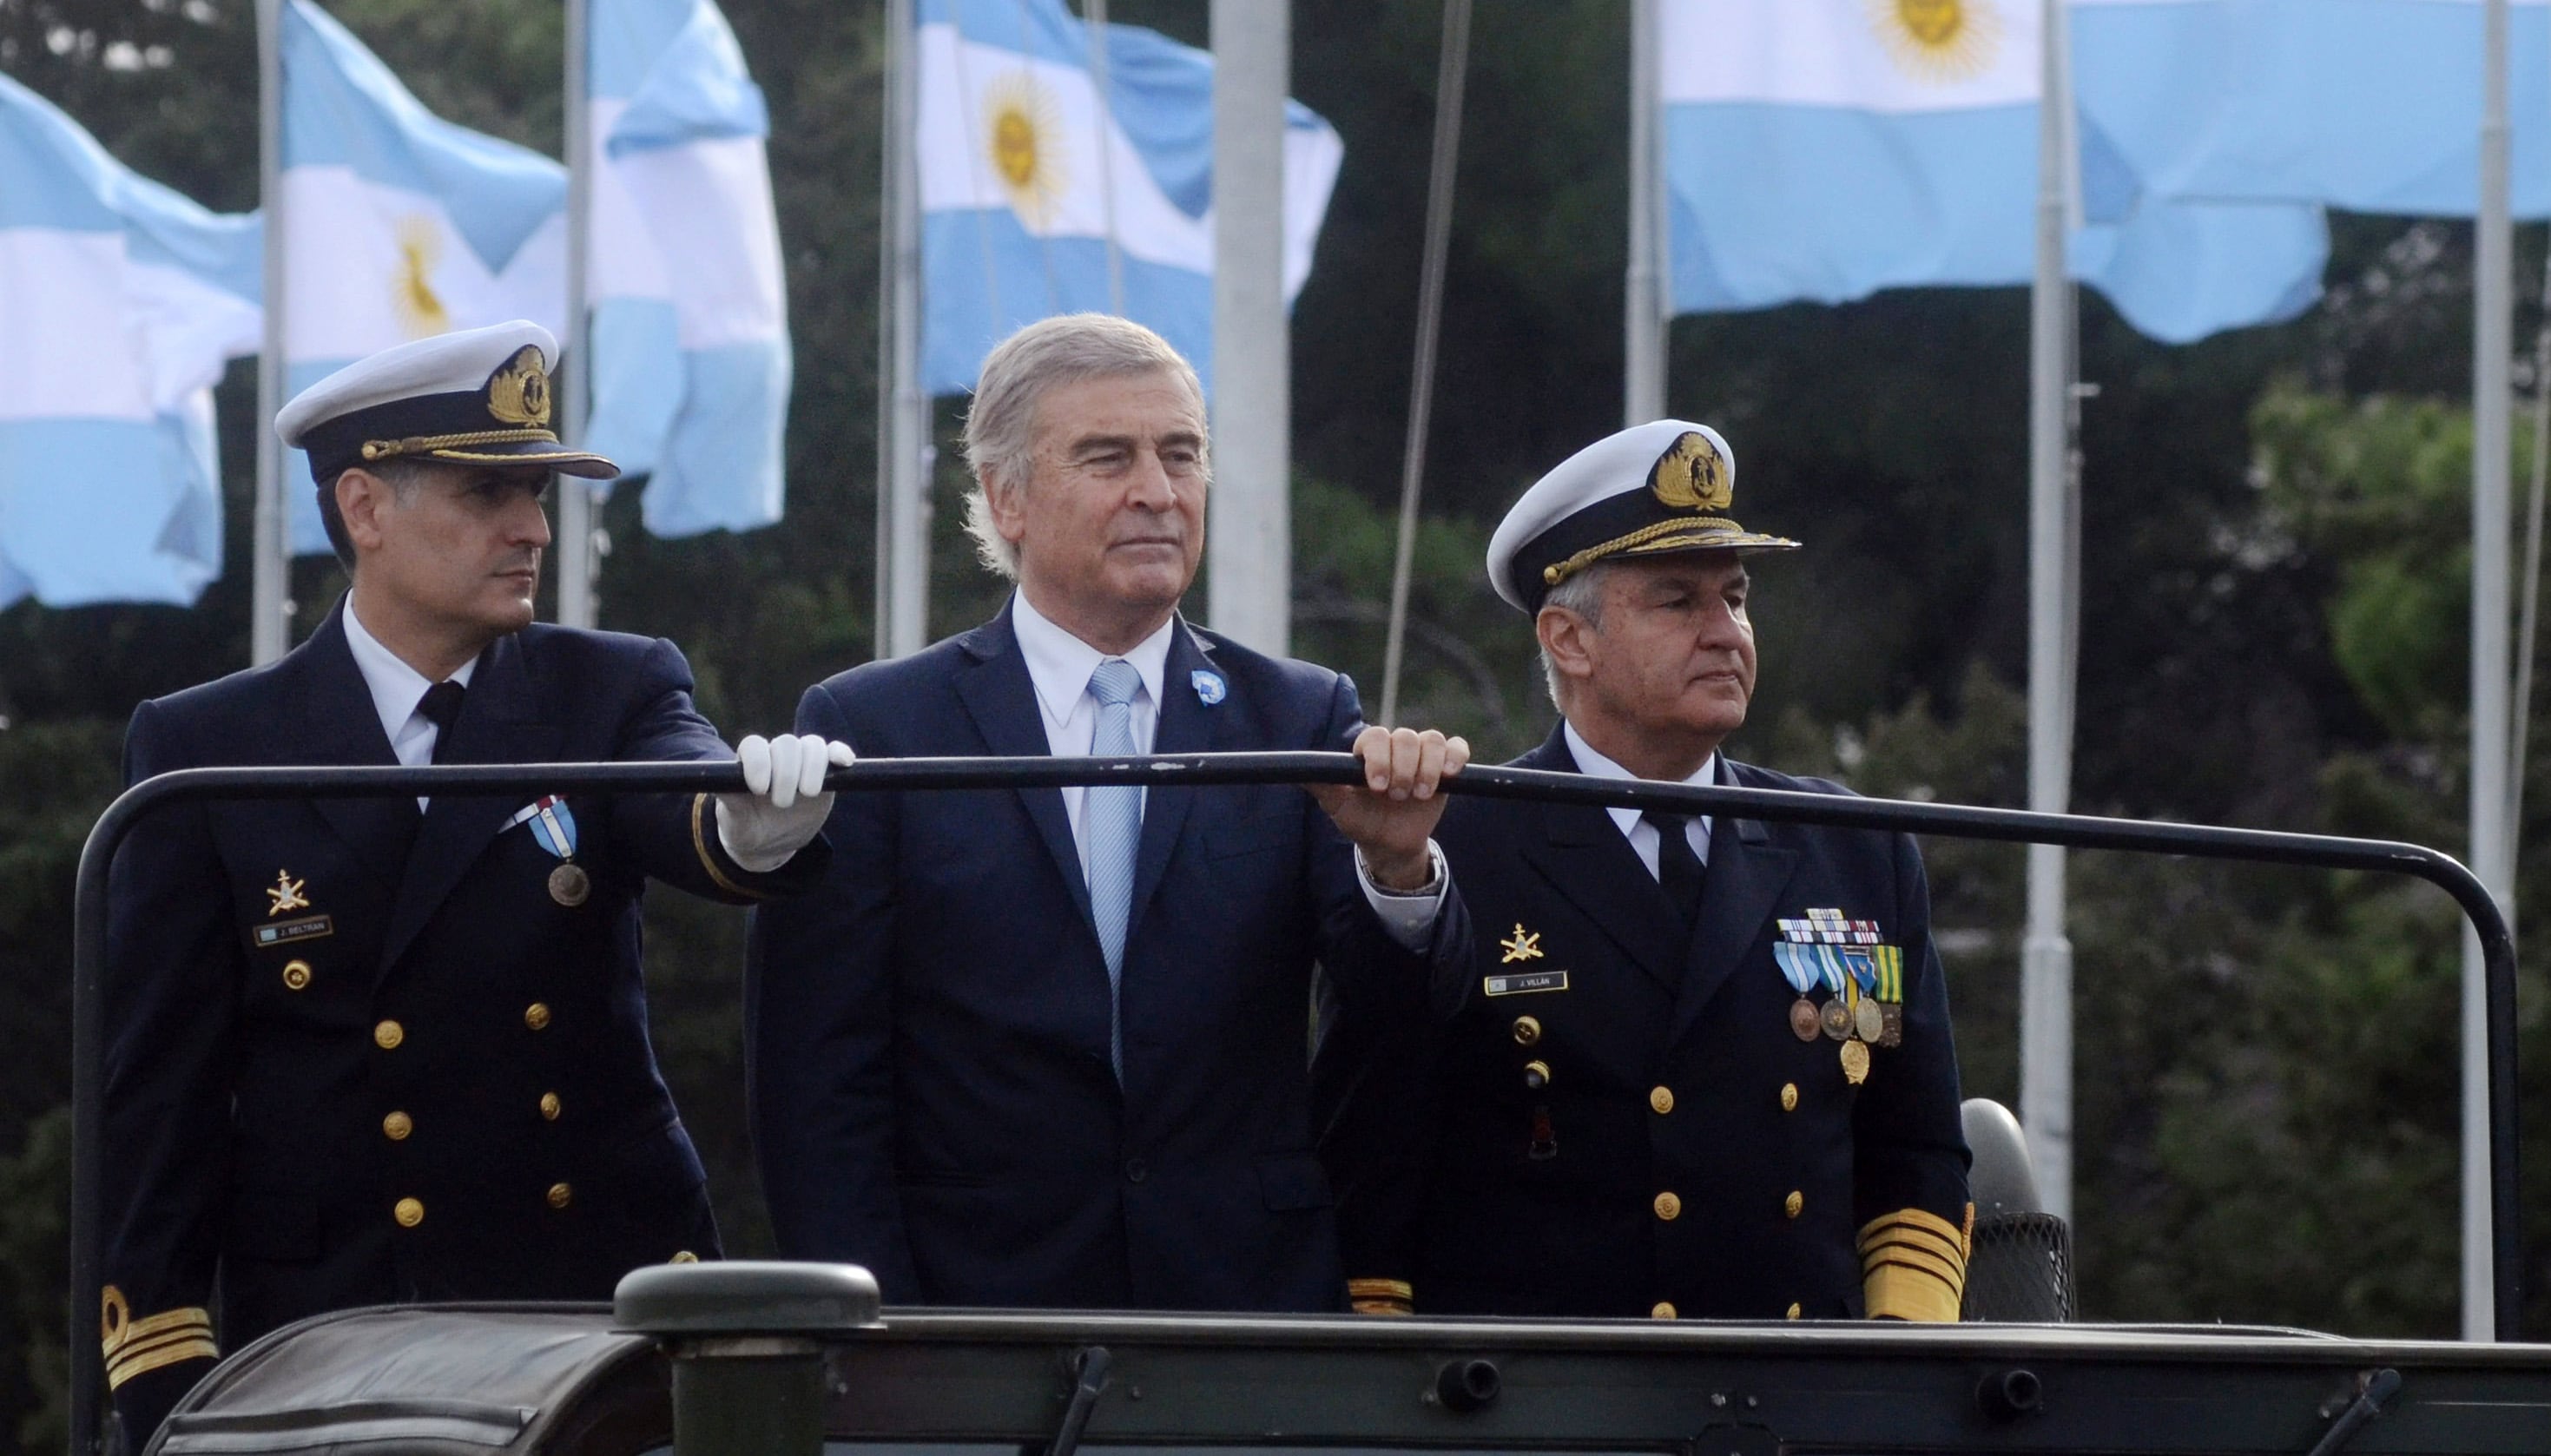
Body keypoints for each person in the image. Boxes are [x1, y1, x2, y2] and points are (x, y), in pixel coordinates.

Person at [100, 322, 848, 1443]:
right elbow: (162, 1093)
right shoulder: (209, 745)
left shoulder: (610, 688)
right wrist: (163, 1363)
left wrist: (749, 826)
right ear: (364, 508)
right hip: (335, 1330)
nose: (533, 528)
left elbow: (678, 795)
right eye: (488, 493)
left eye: (536, 493)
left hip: (590, 1316)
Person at [749, 313, 1471, 1311]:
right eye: (1107, 457)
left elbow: (1397, 1034)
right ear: (1005, 497)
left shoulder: (1298, 718)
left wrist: (1396, 874)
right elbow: (818, 1084)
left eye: (1181, 454)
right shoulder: (875, 726)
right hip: (974, 1315)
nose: (1158, 492)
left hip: (1243, 1314)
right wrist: (880, 1337)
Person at [1333, 420, 1971, 1322]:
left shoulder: (1852, 846)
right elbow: (1375, 1151)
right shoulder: (1450, 846)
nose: (1726, 633)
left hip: (1803, 1380)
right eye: (1678, 602)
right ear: (1569, 639)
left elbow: (1915, 1149)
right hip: (1546, 1386)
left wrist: (1896, 1354)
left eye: (1736, 598)